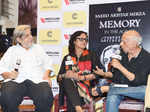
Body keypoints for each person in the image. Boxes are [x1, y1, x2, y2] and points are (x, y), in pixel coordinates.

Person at [92, 30, 150, 112]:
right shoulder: (121, 54)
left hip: (138, 90)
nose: (121, 44)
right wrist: (104, 74)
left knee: (146, 90)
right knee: (112, 97)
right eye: (121, 41)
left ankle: (109, 89)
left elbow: (137, 80)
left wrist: (120, 66)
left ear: (135, 43)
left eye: (124, 41)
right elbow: (115, 76)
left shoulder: (147, 58)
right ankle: (110, 89)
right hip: (121, 88)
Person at [0, 25, 54, 112]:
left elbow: (48, 63)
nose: (31, 37)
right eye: (27, 36)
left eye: (31, 34)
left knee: (46, 97)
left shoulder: (38, 48)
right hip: (16, 81)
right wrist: (9, 75)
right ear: (18, 39)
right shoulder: (11, 50)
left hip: (37, 80)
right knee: (7, 97)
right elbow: (1, 67)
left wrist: (47, 75)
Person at [57, 31, 100, 112]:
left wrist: (81, 77)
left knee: (71, 96)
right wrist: (65, 75)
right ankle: (79, 109)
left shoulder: (92, 55)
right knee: (68, 81)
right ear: (74, 41)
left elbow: (98, 74)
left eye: (85, 39)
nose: (84, 41)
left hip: (87, 88)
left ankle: (78, 108)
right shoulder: (67, 57)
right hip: (71, 87)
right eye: (81, 39)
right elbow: (58, 78)